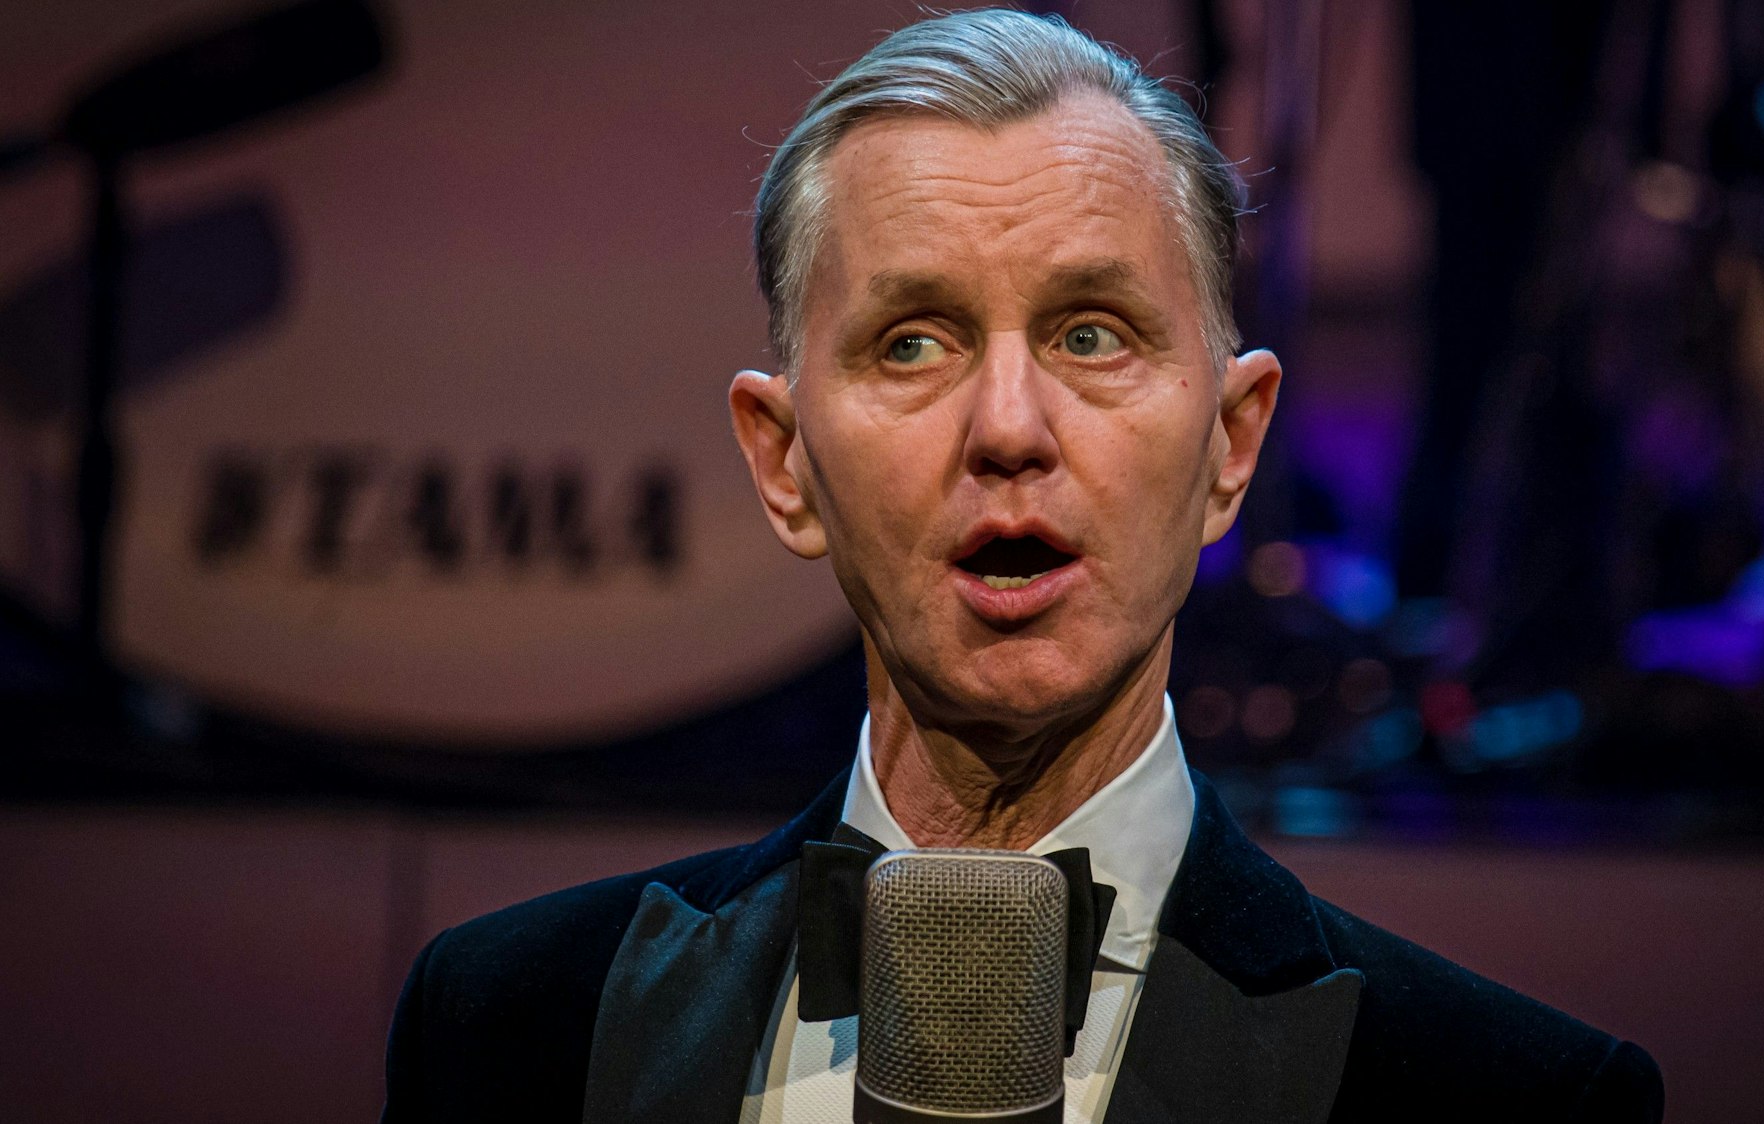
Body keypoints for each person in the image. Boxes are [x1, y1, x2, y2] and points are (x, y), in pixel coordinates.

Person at [382, 10, 1664, 1122]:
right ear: (783, 462)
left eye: (1092, 333)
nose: (1006, 427)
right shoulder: (506, 1030)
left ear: (1230, 443)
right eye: (912, 342)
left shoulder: (1507, 1098)